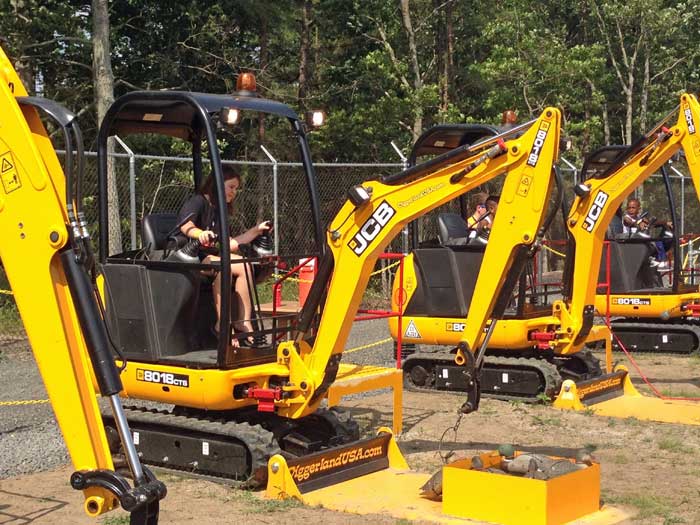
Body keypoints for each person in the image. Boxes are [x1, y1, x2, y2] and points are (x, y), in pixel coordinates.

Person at [177, 167, 271, 347]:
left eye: (236, 189)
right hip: (190, 257)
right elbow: (185, 225)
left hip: (212, 259)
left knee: (242, 264)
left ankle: (240, 321)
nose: (234, 192)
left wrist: (256, 231)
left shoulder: (219, 210)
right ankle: (225, 324)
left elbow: (231, 243)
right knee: (230, 265)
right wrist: (200, 234)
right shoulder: (198, 202)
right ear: (218, 184)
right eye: (231, 187)